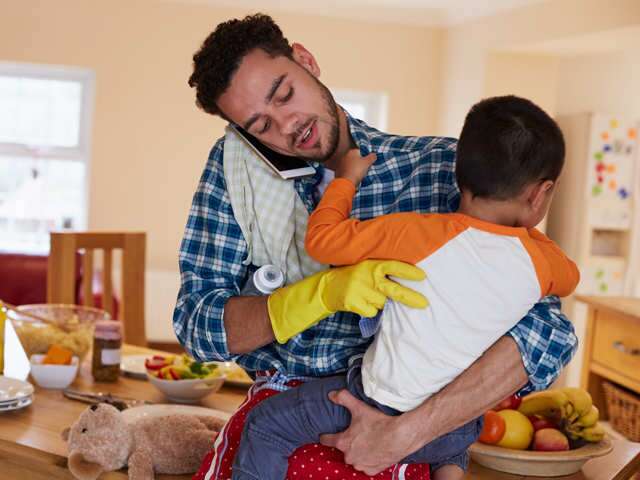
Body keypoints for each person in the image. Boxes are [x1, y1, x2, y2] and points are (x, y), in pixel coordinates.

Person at [175, 14, 578, 480]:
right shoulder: (238, 176)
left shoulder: (439, 170)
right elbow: (197, 326)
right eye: (261, 124)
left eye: (284, 94)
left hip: (410, 422)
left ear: (306, 60)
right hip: (288, 411)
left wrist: (405, 433)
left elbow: (548, 332)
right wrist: (317, 296)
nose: (287, 125)